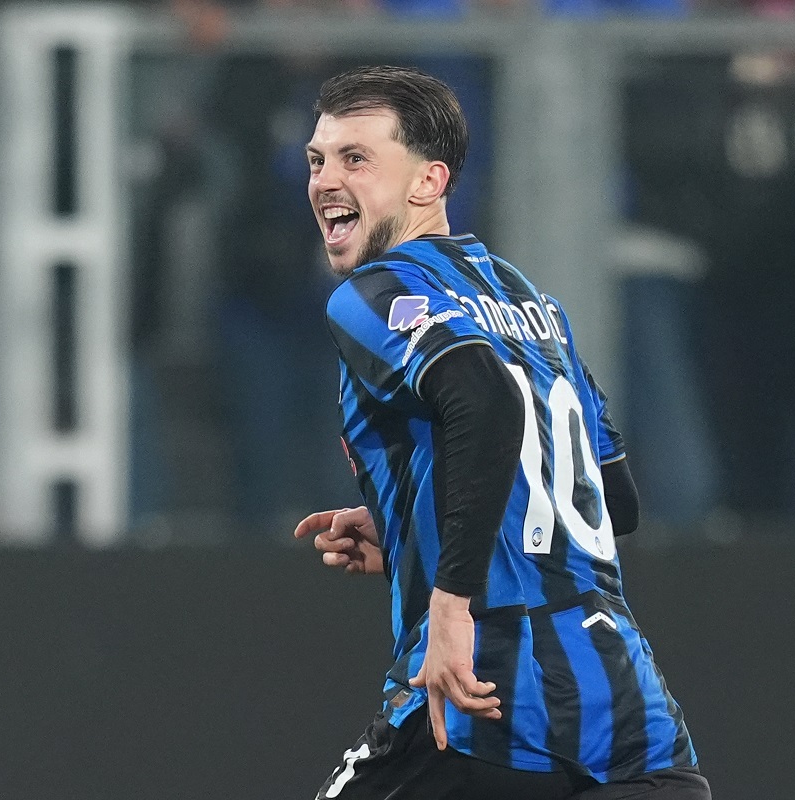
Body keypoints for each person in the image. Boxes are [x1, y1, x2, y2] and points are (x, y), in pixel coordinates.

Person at [290, 66, 710, 800]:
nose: (326, 179)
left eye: (357, 158)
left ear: (429, 181)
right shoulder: (529, 300)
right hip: (628, 711)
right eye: (318, 160)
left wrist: (450, 601)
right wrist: (415, 528)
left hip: (486, 691)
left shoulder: (373, 293)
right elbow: (612, 502)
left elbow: (484, 400)